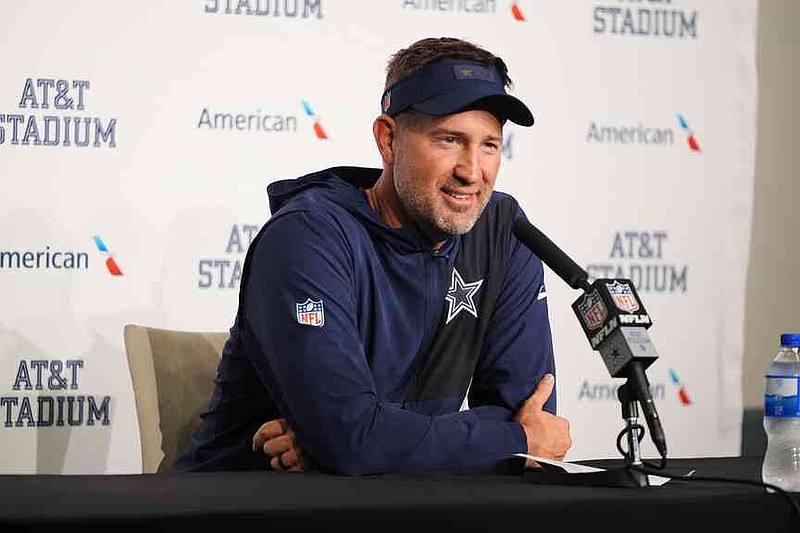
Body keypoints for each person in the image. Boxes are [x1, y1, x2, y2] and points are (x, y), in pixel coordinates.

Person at [174, 36, 572, 476]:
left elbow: (533, 419)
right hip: (239, 506)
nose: (471, 170)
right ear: (388, 140)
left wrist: (353, 444)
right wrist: (353, 443)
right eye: (449, 140)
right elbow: (356, 439)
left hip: (393, 503)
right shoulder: (307, 236)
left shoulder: (503, 230)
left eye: (490, 145)